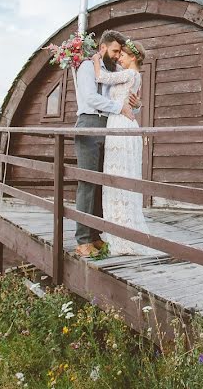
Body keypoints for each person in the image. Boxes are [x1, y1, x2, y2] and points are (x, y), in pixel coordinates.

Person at [73, 30, 139, 257]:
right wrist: (119, 108)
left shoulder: (116, 71)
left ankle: (95, 235)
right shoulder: (87, 68)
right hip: (89, 124)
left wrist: (135, 104)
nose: (118, 55)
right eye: (114, 51)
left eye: (120, 52)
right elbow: (91, 98)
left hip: (110, 127)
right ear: (103, 48)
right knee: (88, 182)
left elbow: (125, 98)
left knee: (103, 182)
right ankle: (82, 239)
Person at [92, 39, 160, 256]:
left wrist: (94, 58)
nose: (119, 57)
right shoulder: (133, 75)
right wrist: (138, 105)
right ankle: (119, 227)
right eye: (118, 53)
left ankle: (123, 231)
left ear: (132, 57)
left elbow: (101, 76)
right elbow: (132, 100)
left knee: (118, 173)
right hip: (121, 122)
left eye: (122, 54)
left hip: (120, 124)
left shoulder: (131, 74)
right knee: (118, 172)